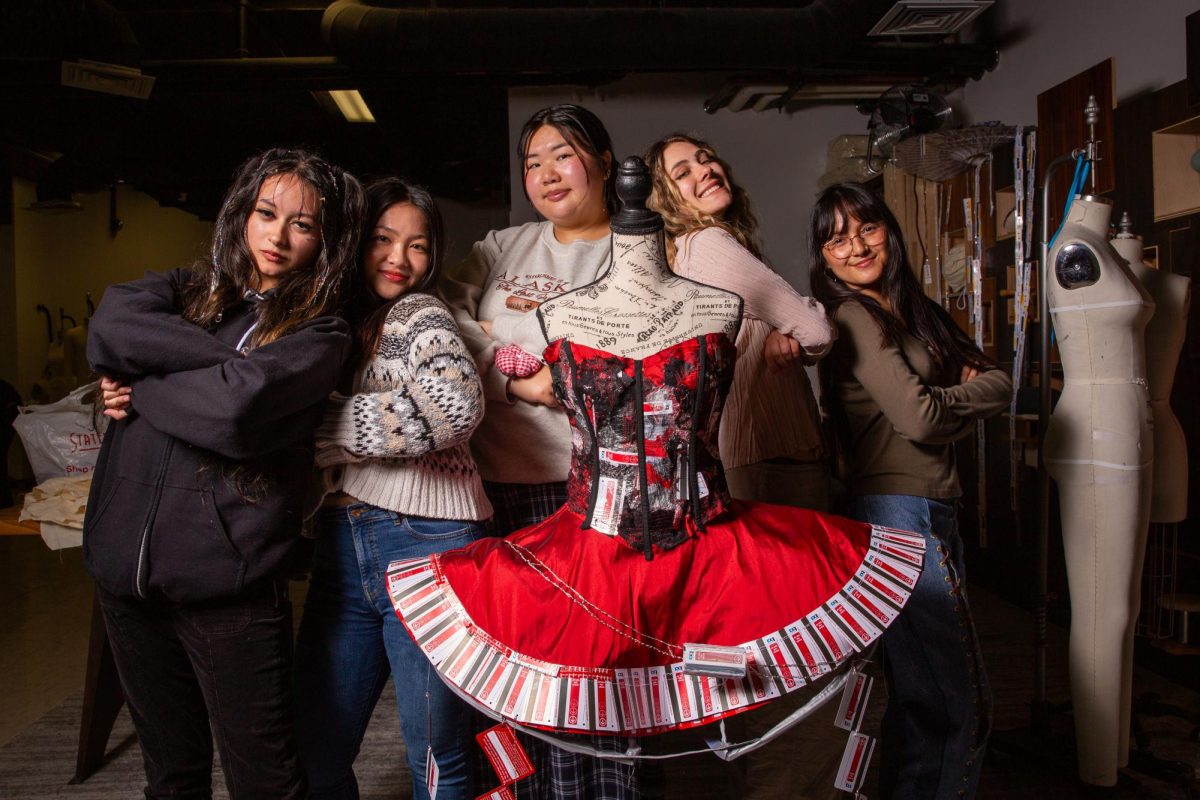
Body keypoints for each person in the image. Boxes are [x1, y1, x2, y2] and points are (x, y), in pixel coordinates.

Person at [389, 159, 925, 792]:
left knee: (752, 725)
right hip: (589, 551)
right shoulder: (559, 313)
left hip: (715, 544)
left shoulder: (720, 302)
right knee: (588, 727)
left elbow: (806, 330)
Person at [85, 147, 364, 798]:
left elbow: (236, 412)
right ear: (243, 214)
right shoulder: (183, 291)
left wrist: (144, 383)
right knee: (171, 776)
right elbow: (110, 323)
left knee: (264, 782)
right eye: (267, 212)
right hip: (126, 586)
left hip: (230, 595)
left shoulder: (321, 335)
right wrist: (213, 369)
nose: (278, 233)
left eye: (303, 223)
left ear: (325, 241)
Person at [439, 104, 651, 799]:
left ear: (601, 160)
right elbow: (440, 321)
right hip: (502, 492)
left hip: (596, 495)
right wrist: (522, 376)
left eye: (562, 154)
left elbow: (622, 359)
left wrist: (525, 354)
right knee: (521, 666)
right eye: (532, 161)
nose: (545, 174)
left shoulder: (637, 250)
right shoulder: (504, 246)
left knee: (602, 667)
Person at [291, 177, 491, 800]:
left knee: (436, 755)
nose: (400, 260)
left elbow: (456, 405)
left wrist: (322, 429)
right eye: (382, 239)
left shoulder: (417, 313)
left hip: (429, 543)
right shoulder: (331, 323)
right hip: (342, 548)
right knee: (312, 747)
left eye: (419, 245)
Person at [810, 183, 1011, 800]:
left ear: (889, 232)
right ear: (822, 256)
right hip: (896, 511)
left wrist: (945, 399)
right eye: (837, 237)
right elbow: (921, 419)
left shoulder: (911, 310)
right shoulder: (853, 316)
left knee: (925, 697)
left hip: (930, 508)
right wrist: (956, 397)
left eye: (866, 228)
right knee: (954, 705)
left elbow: (1001, 379)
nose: (855, 245)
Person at [645, 132, 834, 512]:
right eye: (683, 172)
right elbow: (816, 330)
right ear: (666, 199)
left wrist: (784, 328)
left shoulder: (686, 250)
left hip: (757, 459)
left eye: (705, 158)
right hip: (770, 460)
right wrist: (799, 317)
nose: (706, 170)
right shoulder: (709, 244)